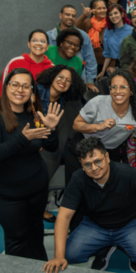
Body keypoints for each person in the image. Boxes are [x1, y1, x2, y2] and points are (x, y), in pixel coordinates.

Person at [42, 137, 136, 273]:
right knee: (69, 254)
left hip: (130, 223)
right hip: (96, 224)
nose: (94, 168)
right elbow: (63, 217)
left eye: (98, 161)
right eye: (87, 165)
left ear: (107, 157)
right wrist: (58, 257)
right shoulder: (78, 179)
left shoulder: (128, 173)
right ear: (81, 164)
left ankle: (128, 251)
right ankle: (103, 249)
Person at [0, 68, 63, 260]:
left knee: (35, 233)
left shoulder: (33, 114)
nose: (21, 90)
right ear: (6, 87)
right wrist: (22, 138)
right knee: (17, 238)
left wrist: (51, 129)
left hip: (37, 189)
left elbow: (51, 147)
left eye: (26, 86)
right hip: (6, 195)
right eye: (15, 84)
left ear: (32, 91)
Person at [66, 69, 136, 187]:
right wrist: (98, 126)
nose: (117, 91)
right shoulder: (98, 102)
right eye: (113, 87)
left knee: (106, 190)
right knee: (80, 187)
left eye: (123, 87)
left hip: (109, 152)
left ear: (131, 91)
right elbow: (76, 124)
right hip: (82, 147)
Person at [37, 65, 86, 222]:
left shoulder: (65, 99)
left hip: (50, 140)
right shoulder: (36, 93)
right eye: (60, 77)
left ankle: (41, 205)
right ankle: (37, 208)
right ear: (52, 77)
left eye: (68, 80)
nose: (63, 82)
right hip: (31, 137)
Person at [47, 5, 98, 92]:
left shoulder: (83, 36)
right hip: (52, 81)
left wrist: (90, 81)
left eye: (73, 16)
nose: (70, 17)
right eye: (67, 14)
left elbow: (90, 59)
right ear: (60, 15)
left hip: (77, 80)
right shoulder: (48, 36)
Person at [0, 30, 54, 96]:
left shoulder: (52, 68)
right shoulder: (15, 62)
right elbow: (3, 89)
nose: (38, 43)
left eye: (42, 41)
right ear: (29, 44)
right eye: (34, 40)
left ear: (47, 46)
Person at [75, 0, 110, 76]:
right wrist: (84, 15)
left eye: (104, 8)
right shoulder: (87, 22)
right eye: (99, 8)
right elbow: (75, 27)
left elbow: (114, 46)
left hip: (107, 64)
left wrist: (112, 65)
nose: (102, 10)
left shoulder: (110, 23)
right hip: (90, 65)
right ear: (93, 11)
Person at [98, 4, 133, 80]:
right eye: (110, 15)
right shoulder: (107, 31)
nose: (113, 16)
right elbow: (108, 54)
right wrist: (103, 71)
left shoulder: (132, 31)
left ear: (122, 14)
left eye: (116, 13)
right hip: (115, 66)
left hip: (131, 65)